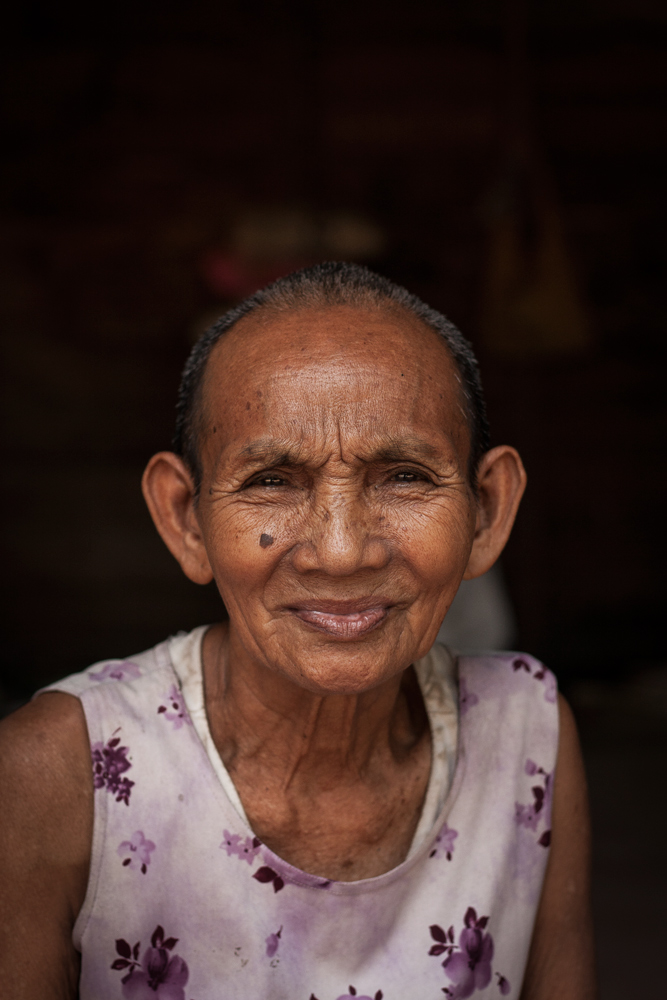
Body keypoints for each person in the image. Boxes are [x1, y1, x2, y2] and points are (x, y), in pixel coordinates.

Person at [0, 263, 597, 999]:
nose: (342, 551)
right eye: (271, 481)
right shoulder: (54, 772)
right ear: (186, 519)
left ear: (486, 511)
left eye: (404, 475)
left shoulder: (526, 737)